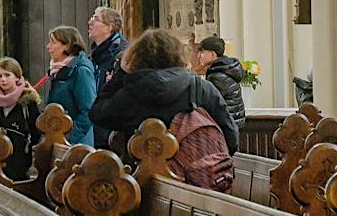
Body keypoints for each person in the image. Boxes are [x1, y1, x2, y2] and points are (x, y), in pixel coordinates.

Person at [91, 27, 238, 164]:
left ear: (137, 57)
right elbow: (231, 136)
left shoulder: (132, 91)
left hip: (141, 180)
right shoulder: (200, 88)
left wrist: (122, 72)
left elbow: (98, 114)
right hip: (192, 177)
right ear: (178, 55)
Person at [0, 58, 42, 182]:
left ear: (17, 77)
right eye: (0, 76)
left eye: (7, 75)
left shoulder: (28, 100)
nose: (3, 79)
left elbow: (35, 132)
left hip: (20, 159)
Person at [43, 26, 97, 145]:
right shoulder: (57, 72)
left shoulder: (81, 71)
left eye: (53, 42)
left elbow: (88, 111)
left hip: (76, 145)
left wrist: (68, 138)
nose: (48, 47)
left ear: (67, 46)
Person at [194, 34, 248, 137]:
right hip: (232, 124)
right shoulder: (225, 69)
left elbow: (210, 103)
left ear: (213, 54)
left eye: (202, 52)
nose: (199, 55)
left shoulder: (217, 76)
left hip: (224, 128)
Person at [87, 6, 127, 84]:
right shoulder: (93, 57)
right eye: (91, 18)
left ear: (109, 27)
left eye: (96, 19)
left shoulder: (122, 55)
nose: (89, 22)